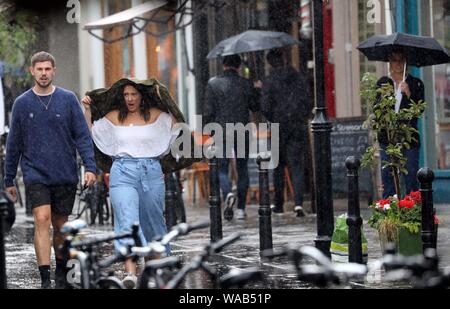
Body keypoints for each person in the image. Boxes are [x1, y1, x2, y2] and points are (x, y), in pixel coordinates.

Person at [3, 51, 96, 289]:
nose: (43, 73)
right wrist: (9, 178)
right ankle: (45, 278)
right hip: (36, 173)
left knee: (61, 225)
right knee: (41, 219)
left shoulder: (68, 99)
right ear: (32, 71)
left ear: (54, 71)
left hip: (64, 172)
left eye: (47, 69)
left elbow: (82, 137)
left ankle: (62, 272)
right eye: (39, 69)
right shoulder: (22, 103)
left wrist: (90, 167)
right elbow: (14, 143)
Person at [82, 81, 177, 289]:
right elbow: (91, 132)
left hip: (151, 171)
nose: (130, 99)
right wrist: (87, 110)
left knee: (153, 223)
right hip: (122, 172)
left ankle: (152, 271)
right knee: (127, 222)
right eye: (126, 94)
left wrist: (166, 98)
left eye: (134, 94)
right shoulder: (114, 116)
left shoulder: (158, 114)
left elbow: (177, 127)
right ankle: (131, 273)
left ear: (142, 95)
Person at [203, 55, 260, 220]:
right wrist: (256, 88)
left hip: (221, 130)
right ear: (239, 65)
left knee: (221, 168)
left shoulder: (213, 84)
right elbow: (255, 106)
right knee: (242, 169)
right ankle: (241, 209)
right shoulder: (245, 83)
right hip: (242, 129)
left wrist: (209, 131)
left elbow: (208, 112)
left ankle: (228, 193)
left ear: (223, 65)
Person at [260, 49, 312, 216]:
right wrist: (300, 116)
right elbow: (307, 100)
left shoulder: (270, 81)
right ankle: (298, 202)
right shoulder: (297, 77)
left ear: (270, 63)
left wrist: (274, 115)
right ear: (284, 58)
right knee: (296, 165)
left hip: (278, 126)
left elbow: (265, 107)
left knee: (278, 166)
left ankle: (279, 203)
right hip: (297, 125)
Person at [376, 51, 425, 198]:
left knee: (410, 175)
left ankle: (412, 210)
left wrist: (409, 94)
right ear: (389, 63)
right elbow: (376, 110)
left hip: (409, 138)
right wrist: (382, 99)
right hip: (388, 137)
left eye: (401, 60)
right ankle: (389, 212)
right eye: (394, 60)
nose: (398, 64)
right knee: (388, 175)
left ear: (406, 62)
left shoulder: (416, 83)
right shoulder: (383, 83)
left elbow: (419, 111)